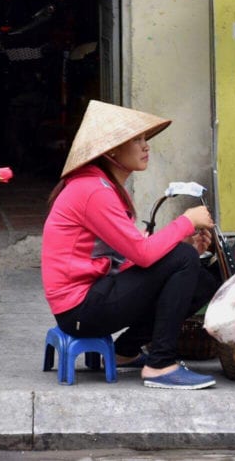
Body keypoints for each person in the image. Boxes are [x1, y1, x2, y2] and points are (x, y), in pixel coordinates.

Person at [41, 100, 220, 390]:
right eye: (136, 139)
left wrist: (182, 243)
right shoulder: (92, 190)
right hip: (80, 311)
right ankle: (160, 365)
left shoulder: (101, 186)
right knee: (184, 257)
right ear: (111, 150)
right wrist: (186, 222)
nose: (145, 146)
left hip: (92, 298)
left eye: (144, 138)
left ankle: (126, 351)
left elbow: (129, 255)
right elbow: (142, 254)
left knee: (200, 278)